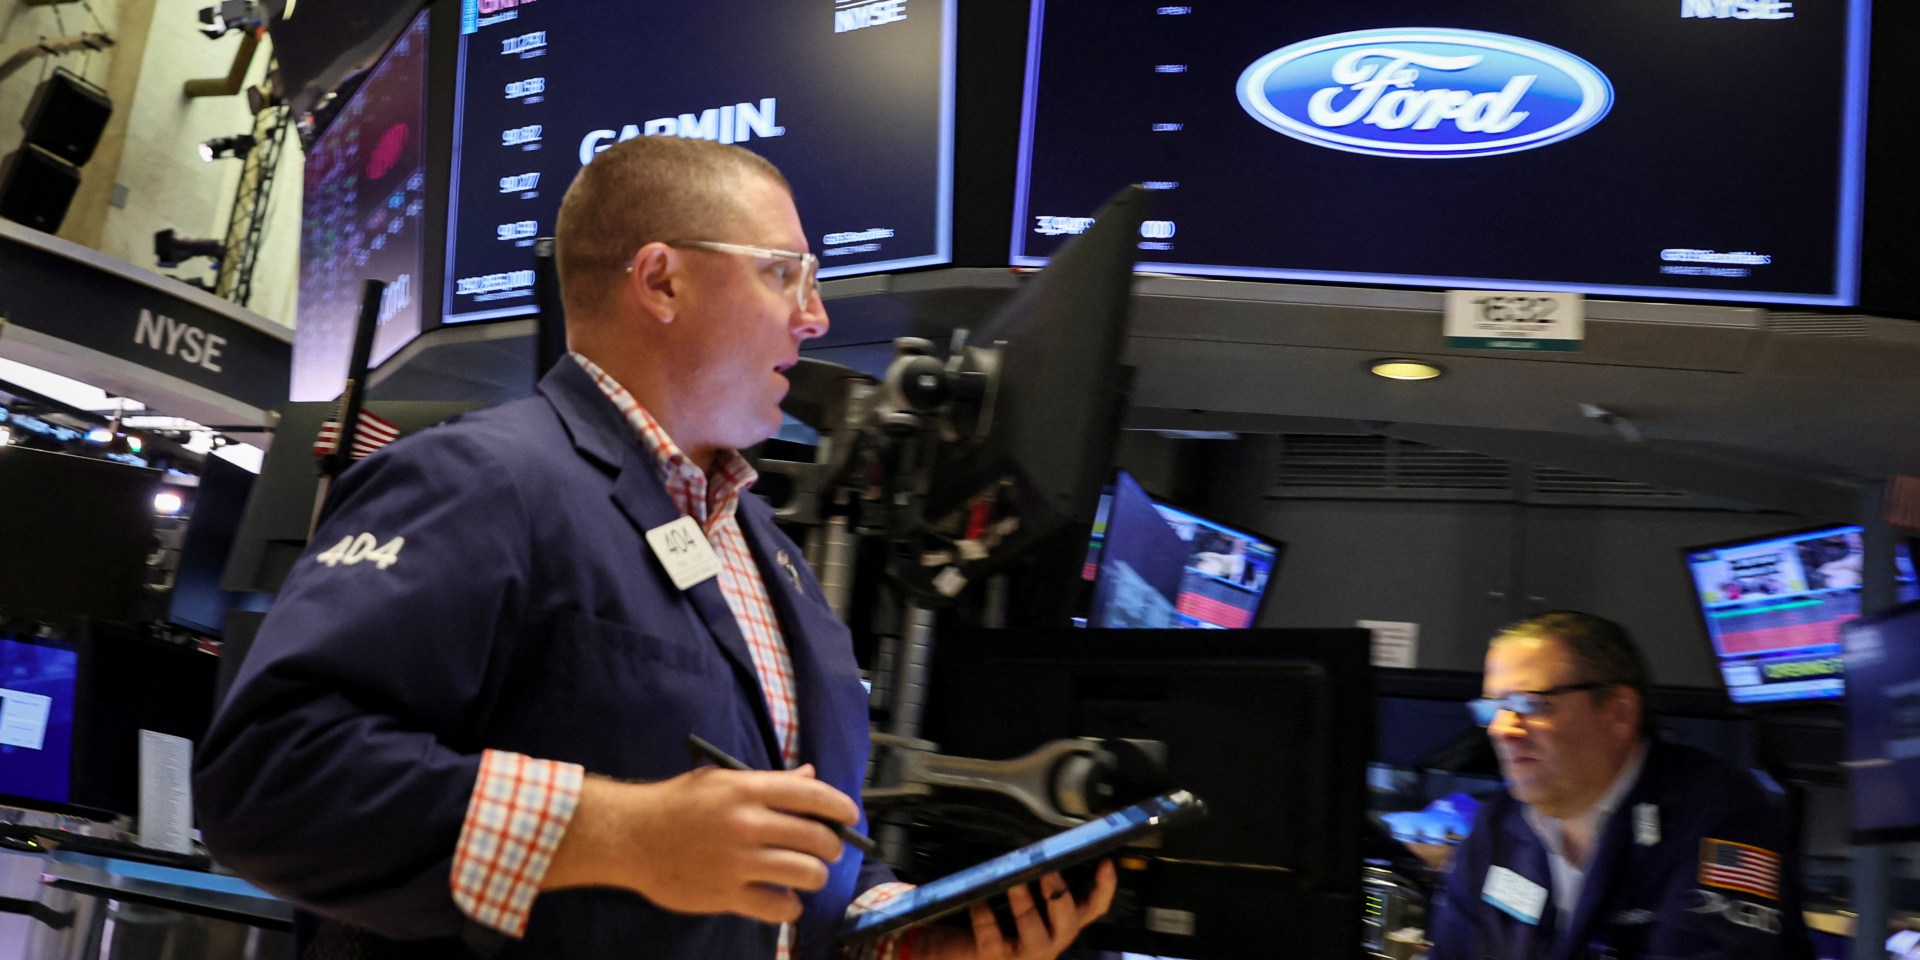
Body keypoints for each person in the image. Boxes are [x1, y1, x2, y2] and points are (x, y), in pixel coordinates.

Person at [193, 135, 1115, 960]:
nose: (816, 317)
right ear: (663, 280)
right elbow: (271, 777)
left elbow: (772, 865)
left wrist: (890, 931)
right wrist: (618, 833)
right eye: (785, 273)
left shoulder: (773, 556)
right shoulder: (483, 479)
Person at [1428, 611, 1811, 960]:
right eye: (1493, 709)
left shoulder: (1722, 816)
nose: (1501, 730)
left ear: (1619, 712)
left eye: (1530, 704)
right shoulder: (1497, 825)